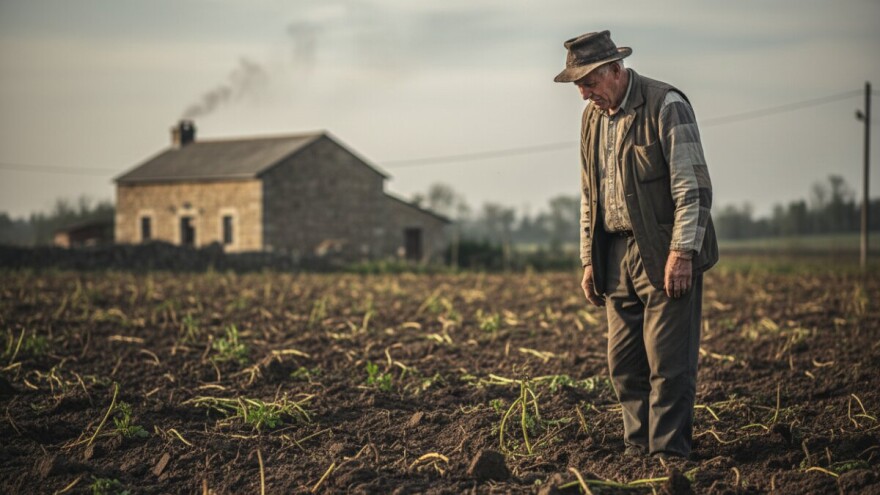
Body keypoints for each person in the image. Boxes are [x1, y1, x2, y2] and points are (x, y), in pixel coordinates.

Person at [553, 31, 718, 461]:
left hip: (663, 251)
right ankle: (637, 449)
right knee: (624, 363)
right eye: (578, 86)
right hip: (614, 254)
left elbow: (693, 186)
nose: (584, 94)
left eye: (589, 82)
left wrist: (682, 253)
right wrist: (589, 260)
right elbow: (589, 194)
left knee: (668, 362)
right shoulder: (591, 119)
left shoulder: (666, 104)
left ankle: (668, 455)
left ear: (615, 70)